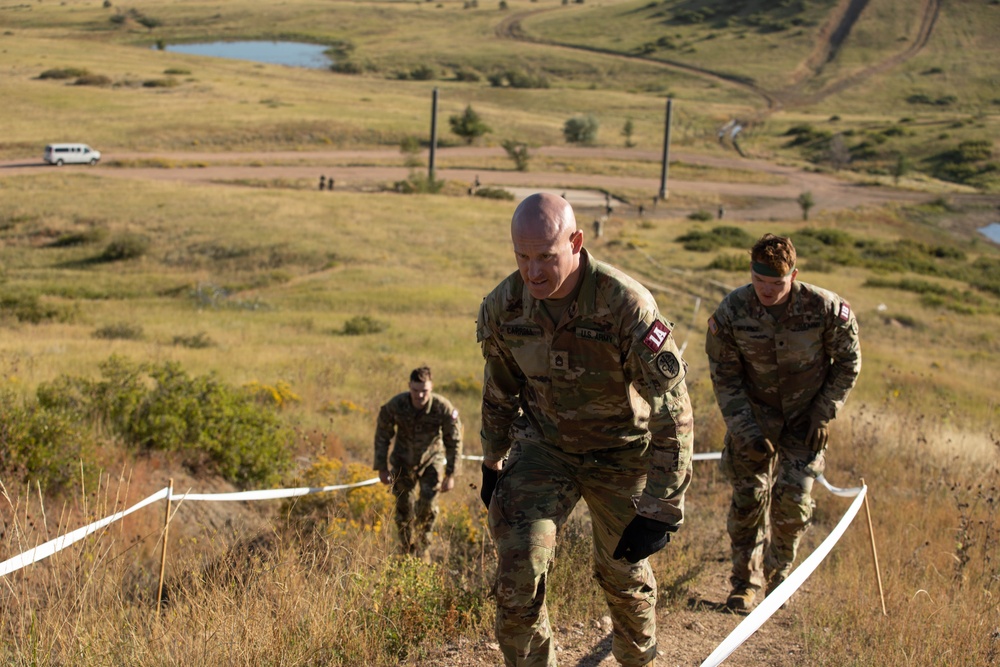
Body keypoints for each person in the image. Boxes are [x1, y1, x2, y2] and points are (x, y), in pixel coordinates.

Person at [476, 192, 694, 666]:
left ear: (576, 242)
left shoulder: (626, 306)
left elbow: (671, 409)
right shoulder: (504, 306)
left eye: (546, 257)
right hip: (544, 451)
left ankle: (637, 658)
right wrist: (493, 459)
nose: (533, 272)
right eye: (522, 257)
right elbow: (499, 389)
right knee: (517, 571)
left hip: (620, 454)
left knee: (622, 574)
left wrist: (660, 503)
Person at [705, 233, 861, 612]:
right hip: (753, 418)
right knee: (748, 502)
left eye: (776, 283)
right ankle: (744, 582)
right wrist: (745, 429)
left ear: (794, 275)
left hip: (806, 420)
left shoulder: (825, 309)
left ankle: (779, 576)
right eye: (760, 282)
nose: (767, 291)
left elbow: (849, 363)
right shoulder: (732, 311)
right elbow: (725, 375)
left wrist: (824, 412)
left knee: (793, 503)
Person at [373, 366, 463, 558]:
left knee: (427, 506)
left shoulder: (442, 407)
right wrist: (381, 468)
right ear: (409, 387)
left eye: (425, 391)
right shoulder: (396, 405)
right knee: (404, 507)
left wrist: (451, 474)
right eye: (415, 390)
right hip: (403, 461)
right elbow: (382, 434)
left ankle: (423, 551)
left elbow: (454, 441)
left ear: (431, 388)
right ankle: (405, 550)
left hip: (432, 460)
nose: (420, 395)